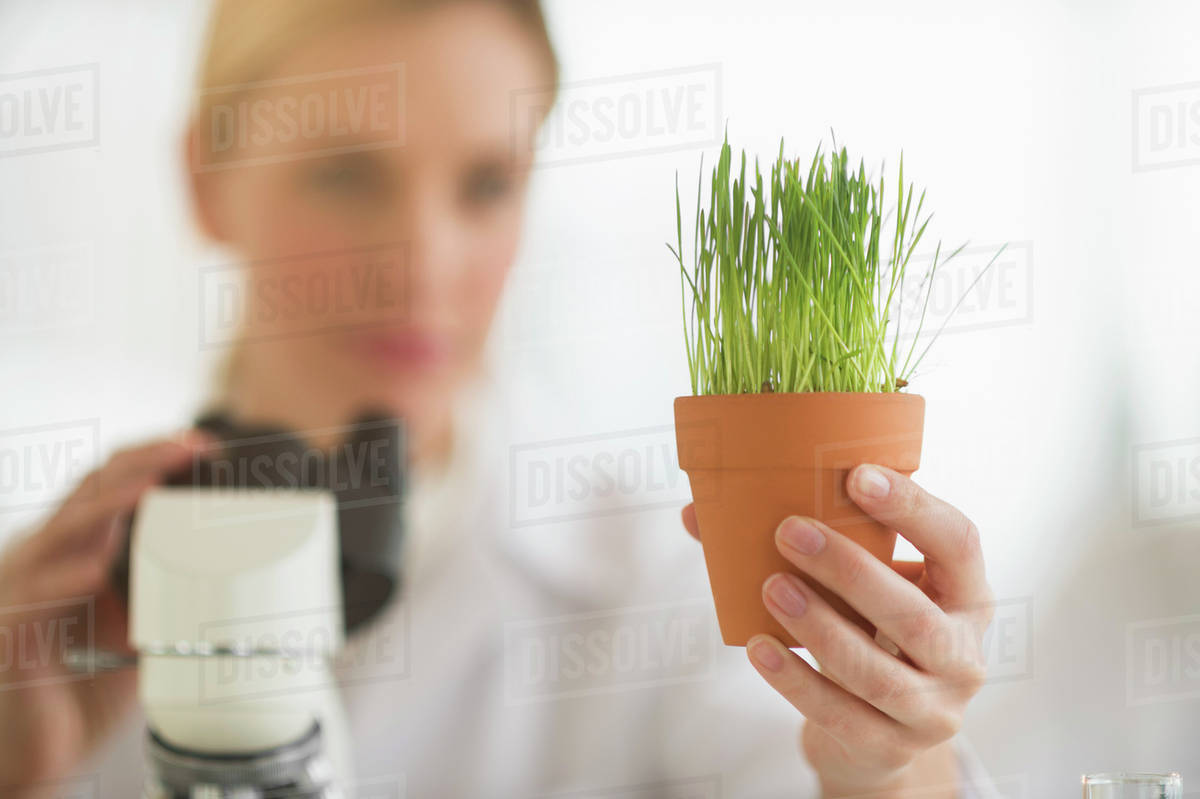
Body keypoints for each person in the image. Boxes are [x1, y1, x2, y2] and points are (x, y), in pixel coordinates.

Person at [0, 1, 999, 796]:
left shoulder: (671, 572)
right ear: (206, 179)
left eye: (485, 184)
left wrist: (886, 767)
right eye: (348, 175)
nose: (425, 266)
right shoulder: (49, 613)